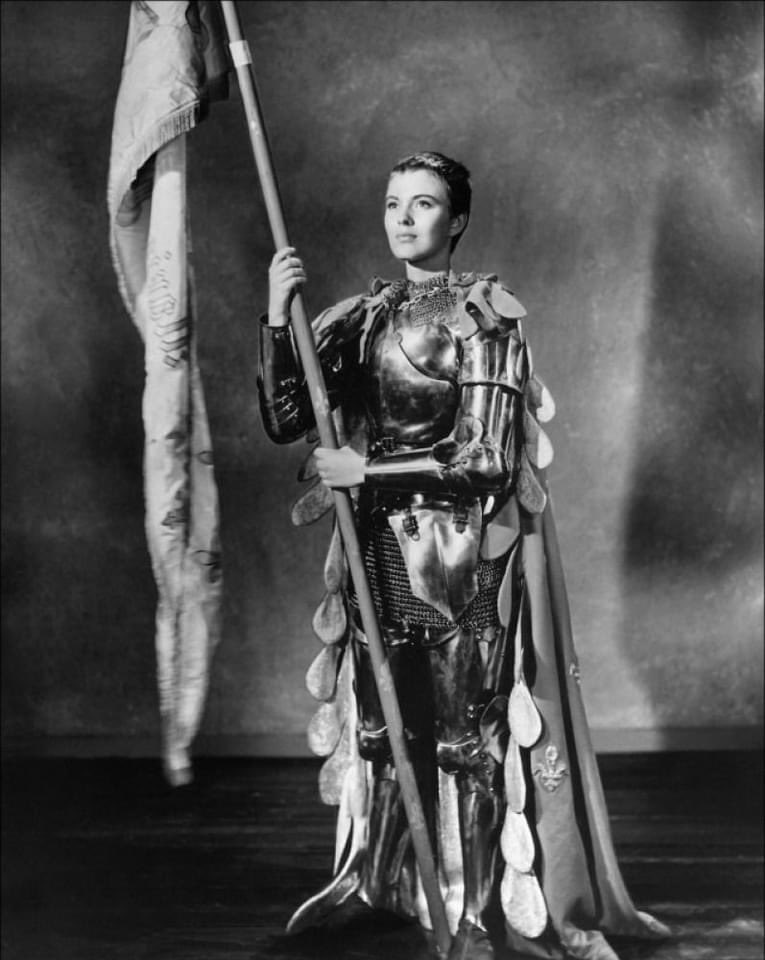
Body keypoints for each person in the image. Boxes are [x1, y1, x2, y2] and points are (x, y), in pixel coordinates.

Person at [257, 152, 669, 960]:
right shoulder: (361, 317)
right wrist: (277, 319)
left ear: (458, 220)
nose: (404, 218)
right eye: (393, 203)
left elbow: (484, 460)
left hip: (456, 556)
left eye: (423, 204)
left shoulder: (484, 321)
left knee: (462, 742)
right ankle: (378, 888)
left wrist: (365, 471)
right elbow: (285, 416)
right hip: (373, 550)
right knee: (377, 736)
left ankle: (471, 906)